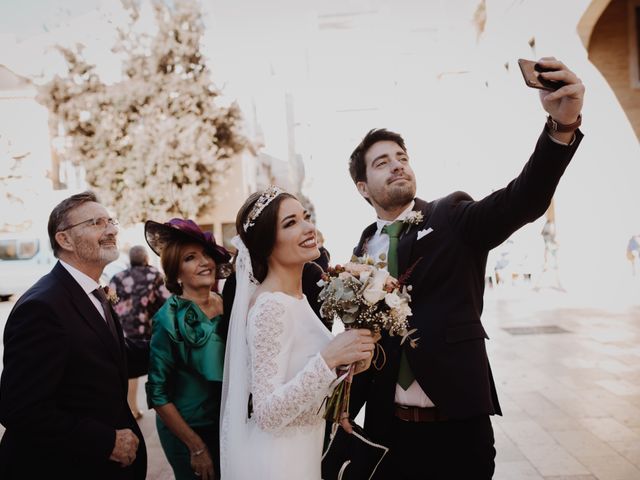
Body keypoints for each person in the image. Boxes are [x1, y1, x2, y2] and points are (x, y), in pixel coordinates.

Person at [342, 57, 585, 479]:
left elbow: (522, 199)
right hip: (389, 433)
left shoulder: (451, 216)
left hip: (457, 426)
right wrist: (343, 410)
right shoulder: (362, 249)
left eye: (402, 156)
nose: (398, 164)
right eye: (382, 162)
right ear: (363, 188)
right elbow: (367, 343)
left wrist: (561, 128)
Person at [220, 186, 376, 479]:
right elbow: (267, 413)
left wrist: (348, 363)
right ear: (267, 243)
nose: (308, 228)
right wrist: (328, 360)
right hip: (279, 462)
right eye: (290, 223)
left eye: (305, 217)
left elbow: (302, 380)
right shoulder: (271, 306)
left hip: (304, 451)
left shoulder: (297, 298)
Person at [0, 191, 147, 480]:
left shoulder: (90, 291)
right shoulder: (42, 308)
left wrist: (178, 344)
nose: (112, 230)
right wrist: (105, 442)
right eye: (96, 223)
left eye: (111, 221)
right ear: (64, 240)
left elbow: (111, 356)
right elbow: (20, 409)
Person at [144, 218, 231, 480]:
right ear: (176, 272)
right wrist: (196, 447)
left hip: (225, 424)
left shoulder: (226, 304)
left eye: (206, 255)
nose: (204, 262)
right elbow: (157, 395)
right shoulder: (167, 319)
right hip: (186, 432)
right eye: (191, 258)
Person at [109, 245, 170, 419]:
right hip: (143, 327)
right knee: (149, 364)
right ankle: (153, 405)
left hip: (120, 327)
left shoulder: (117, 277)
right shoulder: (154, 276)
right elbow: (167, 302)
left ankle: (132, 408)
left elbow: (109, 302)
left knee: (127, 368)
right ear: (146, 259)